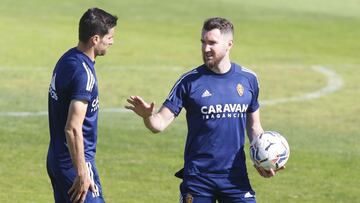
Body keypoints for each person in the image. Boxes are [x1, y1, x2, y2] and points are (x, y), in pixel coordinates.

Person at [126, 17, 283, 202]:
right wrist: (147, 116)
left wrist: (263, 158)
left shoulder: (248, 79)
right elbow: (158, 124)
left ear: (229, 44)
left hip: (235, 177)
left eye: (212, 43)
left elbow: (255, 127)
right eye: (203, 42)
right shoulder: (189, 82)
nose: (205, 48)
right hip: (198, 179)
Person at [47, 8, 117, 203]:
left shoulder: (66, 59)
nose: (112, 41)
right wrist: (81, 172)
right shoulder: (84, 74)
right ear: (95, 39)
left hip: (57, 157)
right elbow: (72, 128)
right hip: (74, 162)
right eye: (109, 37)